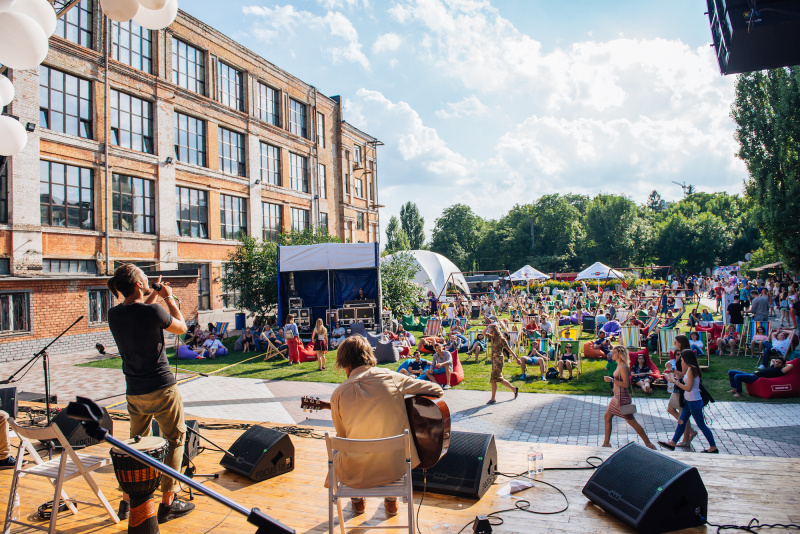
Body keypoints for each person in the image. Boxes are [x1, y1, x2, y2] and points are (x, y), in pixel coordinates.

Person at [106, 264, 194, 524]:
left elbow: (140, 312)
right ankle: (168, 502)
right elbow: (181, 328)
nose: (148, 281)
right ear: (138, 284)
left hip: (134, 392)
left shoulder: (113, 314)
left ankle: (127, 501)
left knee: (137, 444)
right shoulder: (154, 309)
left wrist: (152, 294)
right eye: (145, 279)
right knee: (175, 439)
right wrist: (167, 297)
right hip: (161, 388)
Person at [329, 335, 442, 517]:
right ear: (368, 355)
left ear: (344, 363)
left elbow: (343, 437)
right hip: (394, 468)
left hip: (358, 472)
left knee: (339, 450)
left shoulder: (338, 393)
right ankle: (391, 501)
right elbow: (437, 390)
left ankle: (357, 501)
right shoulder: (390, 377)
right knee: (392, 447)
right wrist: (406, 405)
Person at [659, 350, 719, 453]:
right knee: (681, 422)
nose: (681, 359)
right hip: (689, 401)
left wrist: (674, 382)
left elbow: (688, 388)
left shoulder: (692, 370)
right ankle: (672, 443)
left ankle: (713, 447)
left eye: (682, 358)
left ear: (686, 358)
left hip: (694, 402)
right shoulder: (690, 369)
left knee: (701, 425)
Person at [601, 346, 656, 449]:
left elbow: (626, 384)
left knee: (631, 421)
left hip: (622, 399)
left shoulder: (623, 367)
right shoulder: (618, 365)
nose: (612, 354)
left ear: (620, 355)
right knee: (607, 416)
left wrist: (611, 380)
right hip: (616, 397)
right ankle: (606, 443)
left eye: (614, 353)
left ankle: (649, 444)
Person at [666, 335, 695, 446]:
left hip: (681, 386)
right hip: (678, 385)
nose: (674, 344)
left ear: (680, 343)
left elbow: (683, 374)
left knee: (681, 413)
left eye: (676, 342)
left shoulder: (684, 355)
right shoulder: (683, 353)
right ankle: (689, 433)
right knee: (673, 410)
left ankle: (686, 438)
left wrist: (671, 369)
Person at [484, 324, 519, 404]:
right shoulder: (492, 337)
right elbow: (483, 333)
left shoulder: (501, 339)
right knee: (498, 379)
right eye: (490, 331)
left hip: (499, 360)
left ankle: (493, 399)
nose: (490, 332)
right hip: (493, 360)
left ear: (496, 331)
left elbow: (509, 350)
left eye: (492, 331)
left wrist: (516, 358)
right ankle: (514, 389)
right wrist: (488, 326)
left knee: (493, 379)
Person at [728, 357, 794, 397]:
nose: (776, 363)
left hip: (756, 378)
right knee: (731, 372)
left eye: (779, 363)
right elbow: (772, 360)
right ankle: (735, 389)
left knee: (737, 376)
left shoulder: (780, 370)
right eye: (776, 362)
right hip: (753, 374)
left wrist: (785, 363)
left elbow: (791, 366)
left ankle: (739, 393)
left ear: (782, 365)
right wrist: (777, 360)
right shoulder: (773, 366)